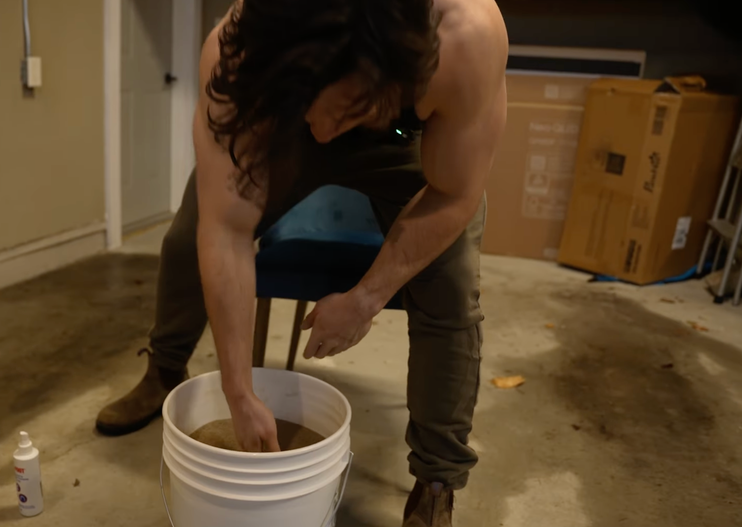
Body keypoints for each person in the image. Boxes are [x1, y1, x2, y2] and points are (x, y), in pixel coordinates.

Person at [97, 0, 507, 524]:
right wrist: (237, 389)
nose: (324, 131)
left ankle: (436, 479)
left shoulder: (465, 37)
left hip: (403, 134)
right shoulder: (234, 51)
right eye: (314, 108)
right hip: (278, 123)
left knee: (449, 284)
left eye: (341, 110)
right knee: (186, 239)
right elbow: (226, 231)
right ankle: (164, 369)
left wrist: (367, 296)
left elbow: (453, 193)